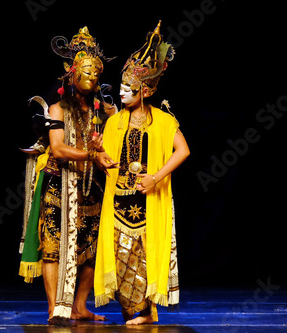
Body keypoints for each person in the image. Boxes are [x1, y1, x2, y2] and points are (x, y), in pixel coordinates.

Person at [93, 21, 190, 325]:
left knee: (146, 257)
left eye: (128, 89)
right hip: (119, 199)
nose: (122, 93)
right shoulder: (113, 122)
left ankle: (148, 313)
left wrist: (155, 178)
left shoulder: (162, 120)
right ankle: (132, 310)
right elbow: (106, 159)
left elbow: (183, 151)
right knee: (121, 259)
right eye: (121, 87)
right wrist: (99, 157)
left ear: (145, 90)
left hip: (148, 199)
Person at [19, 27, 117, 324]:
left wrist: (104, 151)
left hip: (92, 186)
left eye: (96, 75)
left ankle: (79, 306)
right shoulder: (57, 109)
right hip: (59, 185)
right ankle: (54, 308)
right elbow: (59, 149)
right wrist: (90, 153)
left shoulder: (103, 111)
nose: (92, 81)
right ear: (71, 73)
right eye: (86, 73)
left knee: (90, 248)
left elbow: (117, 137)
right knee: (54, 246)